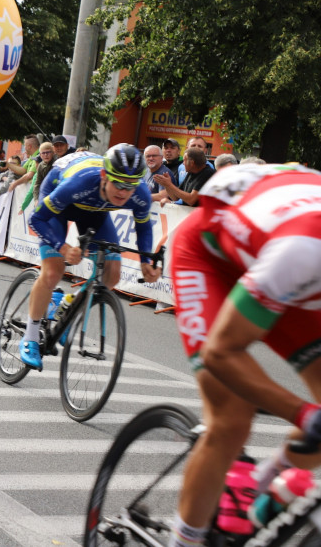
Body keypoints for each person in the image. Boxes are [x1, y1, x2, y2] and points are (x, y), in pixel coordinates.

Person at [166, 163, 321, 547]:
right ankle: (184, 540)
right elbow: (221, 352)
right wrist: (304, 414)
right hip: (209, 256)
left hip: (280, 264)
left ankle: (263, 495)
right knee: (232, 417)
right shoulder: (302, 252)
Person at [22, 144, 161, 369]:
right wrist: (64, 248)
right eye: (118, 183)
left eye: (130, 186)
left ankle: (72, 302)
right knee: (53, 271)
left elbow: (143, 227)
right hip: (59, 200)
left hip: (95, 211)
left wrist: (146, 262)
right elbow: (36, 220)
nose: (124, 192)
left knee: (112, 275)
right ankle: (29, 337)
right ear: (105, 175)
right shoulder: (81, 182)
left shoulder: (140, 193)